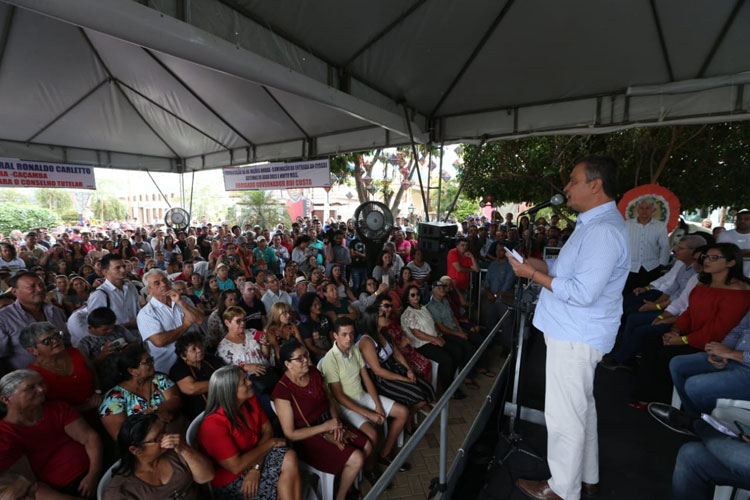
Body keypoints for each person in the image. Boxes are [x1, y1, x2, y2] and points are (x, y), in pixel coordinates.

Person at [508, 155, 630, 500]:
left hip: (576, 334)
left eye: (573, 180)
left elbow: (582, 293)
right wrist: (540, 263)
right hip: (574, 332)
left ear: (595, 184)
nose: (566, 188)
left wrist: (532, 275)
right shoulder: (593, 224)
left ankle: (563, 489)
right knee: (581, 410)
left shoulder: (604, 231)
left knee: (564, 417)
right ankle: (586, 477)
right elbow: (570, 269)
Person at [631, 243, 750, 405]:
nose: (707, 261)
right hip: (692, 334)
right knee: (652, 340)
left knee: (667, 353)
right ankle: (646, 395)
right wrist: (676, 330)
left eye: (714, 258)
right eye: (706, 257)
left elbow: (719, 328)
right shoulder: (702, 283)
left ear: (731, 263)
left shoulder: (739, 292)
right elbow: (689, 311)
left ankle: (662, 399)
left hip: (713, 341)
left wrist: (682, 340)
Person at [272, 340, 369, 500]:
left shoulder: (314, 372)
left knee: (368, 446)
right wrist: (325, 426)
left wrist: (336, 421)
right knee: (357, 458)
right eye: (299, 358)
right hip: (308, 437)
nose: (306, 360)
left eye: (306, 355)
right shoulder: (282, 392)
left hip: (329, 423)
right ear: (287, 364)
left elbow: (329, 399)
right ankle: (341, 496)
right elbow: (291, 434)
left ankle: (344, 482)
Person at [320, 318, 411, 478]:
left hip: (361, 395)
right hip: (345, 405)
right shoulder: (330, 360)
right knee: (373, 433)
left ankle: (385, 453)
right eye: (344, 334)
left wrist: (378, 405)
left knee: (402, 412)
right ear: (335, 335)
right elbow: (339, 397)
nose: (349, 338)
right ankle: (370, 469)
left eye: (352, 334)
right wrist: (370, 415)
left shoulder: (354, 349)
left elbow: (366, 378)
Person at [198, 365, 302, 500]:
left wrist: (256, 468)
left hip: (254, 459)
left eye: (246, 378)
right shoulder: (213, 424)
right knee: (283, 481)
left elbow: (267, 430)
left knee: (290, 456)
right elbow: (236, 466)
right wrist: (271, 443)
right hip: (233, 479)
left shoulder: (249, 399)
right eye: (244, 382)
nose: (250, 382)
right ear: (230, 391)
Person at [0, 369, 102, 498]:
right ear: (6, 399)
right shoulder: (4, 435)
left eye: (41, 384)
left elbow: (89, 437)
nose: (41, 390)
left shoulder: (58, 408)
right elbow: (30, 485)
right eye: (30, 388)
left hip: (96, 467)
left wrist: (94, 473)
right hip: (61, 492)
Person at [358, 300, 435, 425]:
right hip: (381, 380)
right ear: (374, 320)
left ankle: (409, 415)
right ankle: (405, 417)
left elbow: (397, 353)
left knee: (427, 388)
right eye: (383, 315)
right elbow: (378, 371)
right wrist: (403, 379)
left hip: (393, 369)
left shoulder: (384, 332)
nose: (387, 315)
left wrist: (408, 369)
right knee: (418, 393)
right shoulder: (367, 341)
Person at [104, 412, 214, 499]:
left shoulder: (175, 451)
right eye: (158, 438)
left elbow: (206, 476)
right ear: (135, 450)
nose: (166, 437)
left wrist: (184, 449)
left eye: (164, 431)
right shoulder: (121, 490)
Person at [99, 343, 182, 440]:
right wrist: (155, 417)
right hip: (144, 445)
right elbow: (121, 436)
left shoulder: (158, 379)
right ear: (132, 371)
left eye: (151, 359)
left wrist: (154, 409)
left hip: (172, 431)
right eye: (147, 362)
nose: (152, 363)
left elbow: (176, 400)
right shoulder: (113, 398)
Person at [400, 284, 468, 399]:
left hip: (433, 339)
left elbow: (433, 324)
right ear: (407, 298)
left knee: (457, 351)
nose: (416, 297)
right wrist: (434, 339)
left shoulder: (423, 308)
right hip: (422, 344)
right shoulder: (408, 314)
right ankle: (448, 388)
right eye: (412, 295)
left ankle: (450, 379)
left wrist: (438, 336)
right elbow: (417, 333)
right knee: (446, 359)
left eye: (417, 294)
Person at [21, 322, 100, 415]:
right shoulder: (32, 375)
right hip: (68, 420)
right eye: (47, 341)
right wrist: (83, 408)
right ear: (32, 350)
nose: (55, 341)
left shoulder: (76, 352)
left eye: (57, 336)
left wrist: (97, 392)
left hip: (98, 407)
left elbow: (93, 371)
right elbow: (45, 408)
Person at [137, 269, 205, 373]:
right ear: (149, 290)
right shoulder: (146, 313)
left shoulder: (183, 300)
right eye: (157, 283)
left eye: (165, 280)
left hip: (196, 360)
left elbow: (200, 320)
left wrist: (180, 302)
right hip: (169, 366)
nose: (163, 284)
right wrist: (185, 325)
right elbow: (159, 341)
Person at [0, 271, 69, 372]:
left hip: (62, 373)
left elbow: (66, 342)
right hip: (28, 382)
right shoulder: (3, 318)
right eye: (31, 286)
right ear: (15, 292)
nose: (40, 289)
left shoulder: (56, 311)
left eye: (41, 285)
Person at [217, 306, 278, 415]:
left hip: (268, 375)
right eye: (238, 321)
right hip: (250, 384)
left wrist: (265, 345)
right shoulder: (223, 347)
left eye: (244, 320)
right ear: (227, 322)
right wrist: (245, 367)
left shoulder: (252, 332)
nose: (243, 323)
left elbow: (266, 356)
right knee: (268, 408)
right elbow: (227, 373)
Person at [624, 198, 671, 293]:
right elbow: (621, 244)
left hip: (651, 268)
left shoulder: (660, 226)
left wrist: (662, 264)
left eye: (648, 208)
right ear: (637, 209)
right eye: (641, 208)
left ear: (653, 210)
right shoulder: (627, 224)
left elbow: (665, 246)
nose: (644, 210)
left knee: (647, 295)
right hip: (630, 268)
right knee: (627, 294)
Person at [86, 254, 140, 335]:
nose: (123, 270)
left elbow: (137, 310)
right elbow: (96, 327)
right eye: (117, 268)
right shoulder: (99, 294)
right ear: (105, 271)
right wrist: (129, 325)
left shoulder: (130, 287)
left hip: (137, 336)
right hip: (116, 340)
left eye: (124, 266)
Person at [483, 241, 517, 349]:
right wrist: (488, 293)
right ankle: (489, 344)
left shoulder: (510, 266)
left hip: (504, 299)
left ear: (507, 252)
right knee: (490, 321)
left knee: (506, 324)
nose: (499, 252)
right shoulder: (493, 264)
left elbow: (508, 284)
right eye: (497, 250)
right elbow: (487, 281)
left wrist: (496, 296)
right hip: (491, 298)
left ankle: (506, 348)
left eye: (502, 250)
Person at [297, 292, 333, 362]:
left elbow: (332, 336)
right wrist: (327, 354)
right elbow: (311, 347)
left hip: (331, 349)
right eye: (315, 305)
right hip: (318, 354)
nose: (318, 306)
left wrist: (334, 350)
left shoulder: (325, 318)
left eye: (319, 303)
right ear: (308, 307)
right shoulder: (304, 324)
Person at [717, 208, 750, 277]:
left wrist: (735, 252)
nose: (742, 221)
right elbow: (719, 253)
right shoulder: (724, 235)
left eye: (746, 219)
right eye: (739, 219)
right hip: (728, 275)